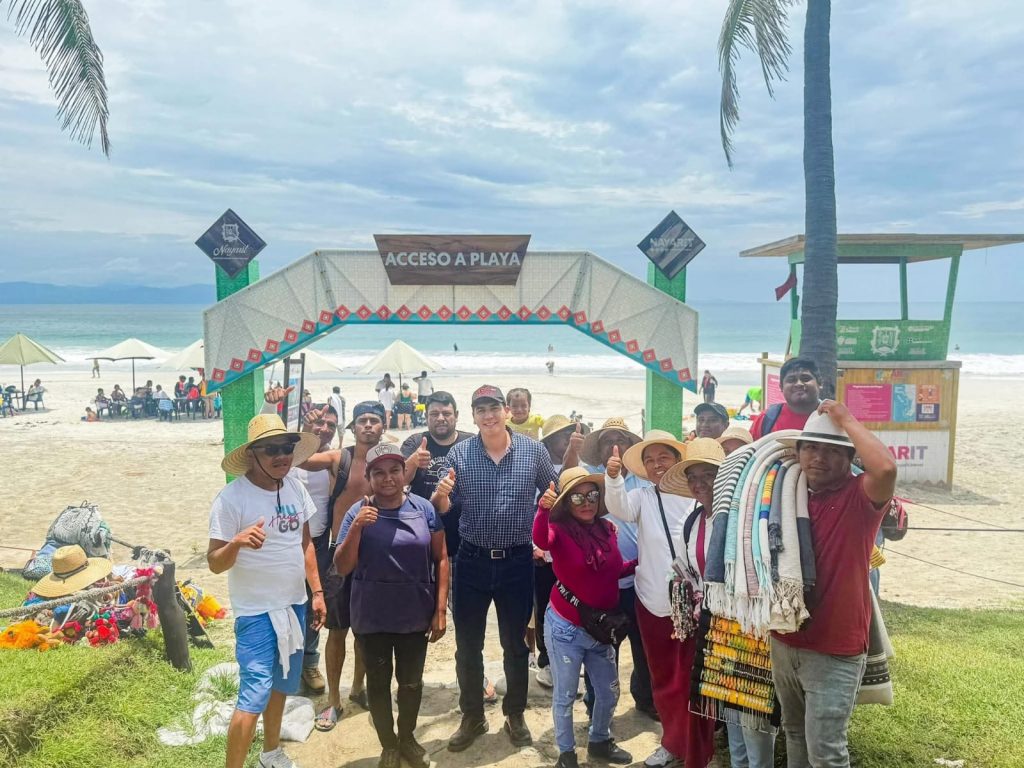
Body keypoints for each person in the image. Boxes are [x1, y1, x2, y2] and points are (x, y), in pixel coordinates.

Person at [431, 385, 558, 751]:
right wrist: (440, 494)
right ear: (473, 415)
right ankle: (472, 715)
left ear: (505, 411)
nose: (488, 415)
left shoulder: (533, 452)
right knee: (467, 646)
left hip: (518, 561)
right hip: (470, 561)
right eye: (480, 409)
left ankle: (514, 712)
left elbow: (553, 491)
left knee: (515, 644)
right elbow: (442, 508)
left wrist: (549, 499)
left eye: (493, 408)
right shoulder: (460, 453)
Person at [772, 402, 897, 768]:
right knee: (793, 734)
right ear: (797, 453)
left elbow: (886, 467)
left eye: (832, 450)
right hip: (784, 637)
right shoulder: (787, 495)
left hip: (835, 646)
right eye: (810, 447)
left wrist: (845, 419)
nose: (818, 457)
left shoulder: (860, 495)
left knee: (826, 750)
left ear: (849, 458)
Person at [207, 414, 326, 768]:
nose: (281, 456)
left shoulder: (295, 487)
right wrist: (238, 543)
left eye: (286, 448)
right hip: (256, 612)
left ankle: (270, 753)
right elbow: (214, 561)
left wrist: (317, 592)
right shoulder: (231, 499)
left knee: (281, 685)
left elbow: (305, 543)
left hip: (295, 604)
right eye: (271, 449)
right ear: (253, 454)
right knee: (253, 695)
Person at [334, 444, 449, 768]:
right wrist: (357, 527)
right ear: (369, 477)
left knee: (411, 683)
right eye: (379, 473)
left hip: (414, 613)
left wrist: (440, 610)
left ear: (404, 473)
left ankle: (408, 738)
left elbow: (441, 559)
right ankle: (388, 744)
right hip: (372, 615)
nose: (388, 479)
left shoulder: (425, 509)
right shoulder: (358, 512)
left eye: (394, 470)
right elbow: (342, 567)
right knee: (379, 684)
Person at [661, 439, 765, 768]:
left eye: (708, 474)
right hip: (715, 628)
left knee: (752, 716)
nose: (699, 483)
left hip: (748, 626)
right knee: (732, 712)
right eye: (693, 476)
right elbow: (687, 570)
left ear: (725, 479)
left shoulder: (743, 519)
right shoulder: (694, 523)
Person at [603, 429, 693, 768]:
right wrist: (613, 478)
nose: (657, 465)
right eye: (650, 460)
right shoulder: (642, 496)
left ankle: (696, 743)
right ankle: (672, 742)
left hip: (694, 605)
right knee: (664, 677)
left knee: (691, 676)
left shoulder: (696, 495)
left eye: (664, 458)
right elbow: (618, 507)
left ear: (677, 460)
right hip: (653, 601)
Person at [534, 468, 634, 768]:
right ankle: (566, 754)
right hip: (566, 627)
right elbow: (541, 538)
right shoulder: (560, 530)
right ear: (566, 502)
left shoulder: (606, 529)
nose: (586, 502)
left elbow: (613, 570)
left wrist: (645, 564)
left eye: (592, 495)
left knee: (608, 691)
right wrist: (542, 510)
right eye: (577, 496)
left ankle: (599, 741)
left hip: (601, 628)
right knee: (565, 695)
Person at [314, 402, 385, 729]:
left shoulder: (388, 461)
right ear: (353, 427)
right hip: (339, 555)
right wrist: (311, 433)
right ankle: (333, 700)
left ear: (383, 426)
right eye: (362, 421)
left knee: (367, 630)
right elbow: (298, 459)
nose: (368, 426)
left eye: (374, 421)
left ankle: (358, 688)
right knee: (337, 630)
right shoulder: (339, 458)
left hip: (375, 556)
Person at [579, 418, 656, 720]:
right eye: (607, 440)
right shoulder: (589, 480)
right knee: (601, 647)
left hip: (639, 578)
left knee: (643, 644)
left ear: (629, 447)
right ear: (598, 450)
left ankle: (645, 698)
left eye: (621, 440)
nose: (614, 445)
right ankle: (597, 705)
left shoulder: (643, 480)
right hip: (601, 581)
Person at [533, 415, 587, 687]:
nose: (567, 440)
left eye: (570, 435)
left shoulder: (584, 466)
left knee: (573, 605)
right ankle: (546, 660)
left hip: (572, 553)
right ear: (550, 440)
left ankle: (568, 656)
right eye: (562, 436)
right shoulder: (538, 466)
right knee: (544, 606)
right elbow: (551, 493)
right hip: (545, 550)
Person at [750, 357, 822, 439]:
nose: (799, 384)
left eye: (805, 378)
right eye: (791, 380)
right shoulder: (766, 419)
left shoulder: (834, 417)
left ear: (819, 383)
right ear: (781, 387)